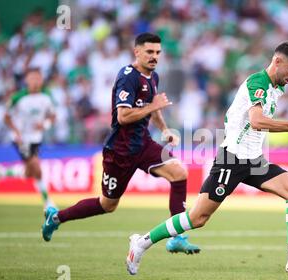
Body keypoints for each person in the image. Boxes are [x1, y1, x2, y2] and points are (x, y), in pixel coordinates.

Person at [125, 41, 288, 276]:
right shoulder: (258, 82)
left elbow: (242, 120)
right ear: (277, 61)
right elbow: (257, 121)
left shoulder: (276, 89)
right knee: (198, 218)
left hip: (254, 160)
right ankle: (142, 242)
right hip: (233, 160)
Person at [41, 33, 200, 254]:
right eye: (149, 52)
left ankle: (176, 237)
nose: (154, 57)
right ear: (137, 52)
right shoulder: (128, 76)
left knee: (179, 173)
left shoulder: (153, 77)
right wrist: (152, 107)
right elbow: (123, 116)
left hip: (143, 144)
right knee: (108, 205)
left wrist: (164, 129)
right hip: (120, 151)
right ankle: (57, 217)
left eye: (157, 53)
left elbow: (151, 107)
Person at [0, 68, 56, 209]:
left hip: (36, 138)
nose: (35, 81)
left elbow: (53, 116)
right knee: (37, 168)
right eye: (32, 78)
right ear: (26, 80)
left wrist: (44, 125)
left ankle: (3, 172)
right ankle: (48, 203)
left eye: (38, 78)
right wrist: (17, 132)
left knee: (30, 172)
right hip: (21, 139)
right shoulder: (17, 97)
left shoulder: (46, 96)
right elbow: (6, 117)